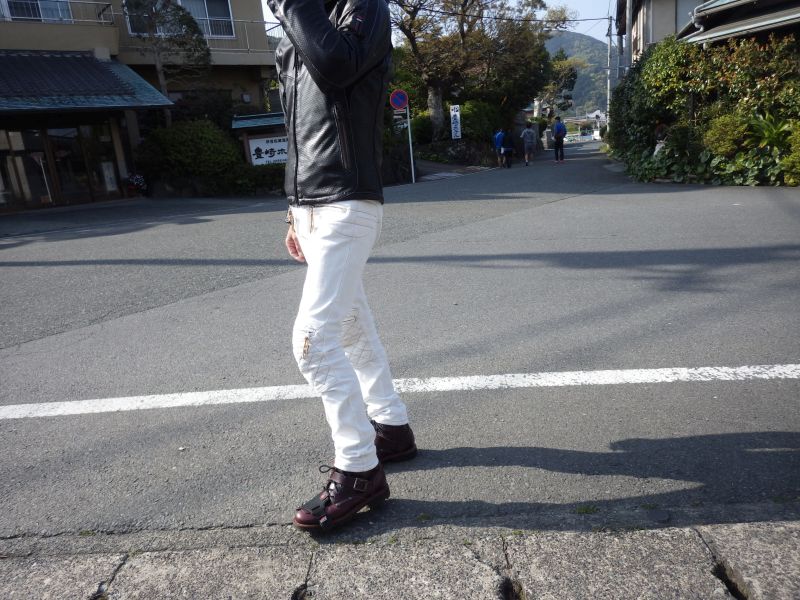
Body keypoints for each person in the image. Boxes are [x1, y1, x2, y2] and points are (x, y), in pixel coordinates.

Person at [269, 0, 416, 531]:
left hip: (347, 200)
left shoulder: (365, 8)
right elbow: (298, 123)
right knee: (351, 324)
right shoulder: (306, 17)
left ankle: (359, 469)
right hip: (312, 203)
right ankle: (391, 427)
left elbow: (336, 66)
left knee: (312, 341)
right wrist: (293, 211)